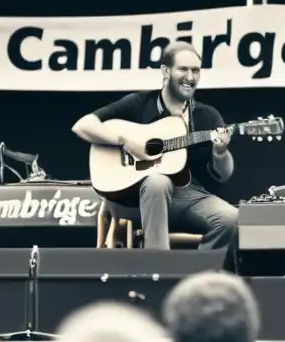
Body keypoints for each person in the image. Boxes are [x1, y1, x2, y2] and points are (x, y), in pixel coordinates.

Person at [72, 41, 238, 251]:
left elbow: (224, 175)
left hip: (185, 195)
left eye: (196, 70)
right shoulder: (139, 102)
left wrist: (221, 153)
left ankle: (198, 276)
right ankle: (158, 270)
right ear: (166, 71)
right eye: (183, 69)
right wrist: (125, 142)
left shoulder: (207, 115)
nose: (190, 77)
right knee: (158, 182)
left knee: (231, 218)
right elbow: (83, 125)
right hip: (131, 199)